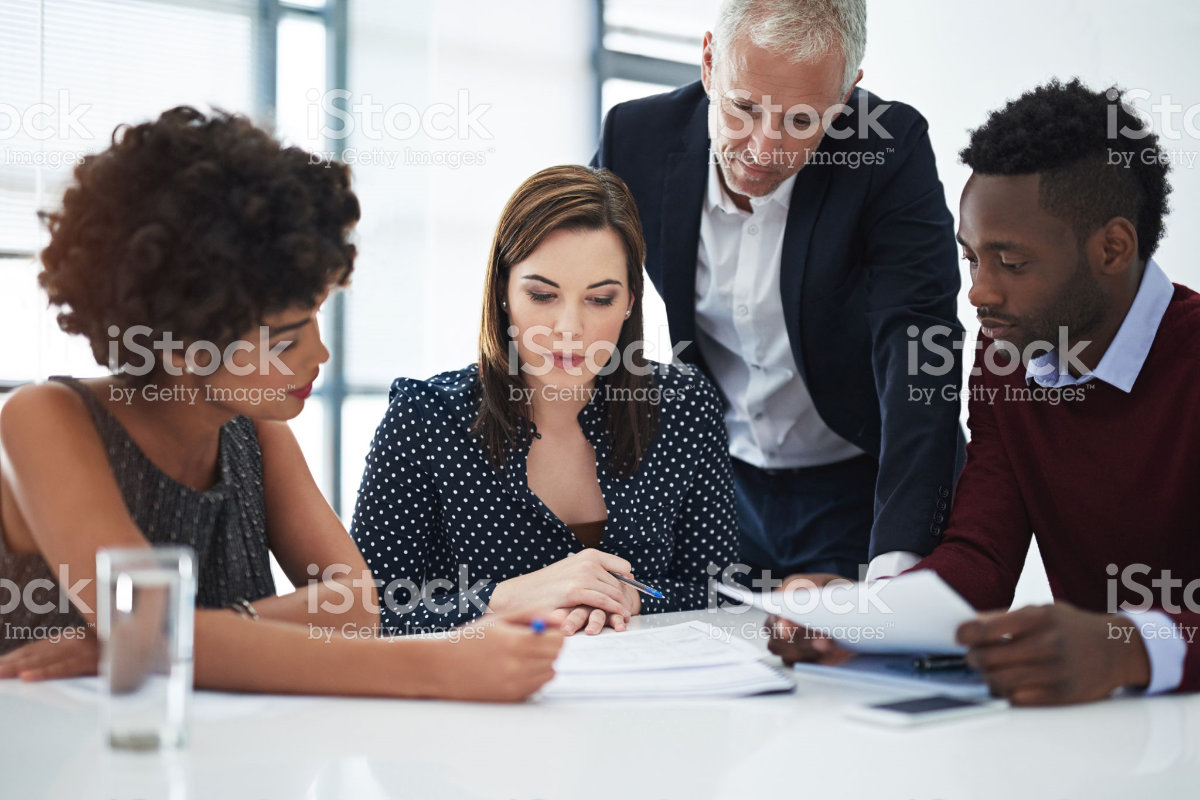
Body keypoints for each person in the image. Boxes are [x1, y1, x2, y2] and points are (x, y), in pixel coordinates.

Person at [0, 107, 561, 701]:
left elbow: (355, 604)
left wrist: (169, 639)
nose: (318, 353)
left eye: (315, 319)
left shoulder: (254, 431)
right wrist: (442, 667)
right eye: (286, 337)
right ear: (186, 344)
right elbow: (145, 625)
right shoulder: (43, 419)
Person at [769, 79, 1199, 704]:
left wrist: (1125, 646)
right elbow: (982, 552)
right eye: (972, 259)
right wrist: (868, 617)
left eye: (1012, 263)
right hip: (1099, 729)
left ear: (1112, 247)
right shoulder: (1005, 359)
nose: (979, 293)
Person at [592, 0, 964, 585]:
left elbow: (919, 345)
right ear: (710, 62)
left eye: (800, 121)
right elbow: (577, 301)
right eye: (743, 109)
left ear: (844, 99)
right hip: (718, 481)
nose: (764, 151)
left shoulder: (887, 148)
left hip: (862, 484)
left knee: (860, 667)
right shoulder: (635, 139)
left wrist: (897, 562)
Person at [351, 165, 738, 637]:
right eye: (542, 295)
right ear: (502, 293)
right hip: (480, 700)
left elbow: (721, 588)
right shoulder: (424, 417)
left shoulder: (684, 407)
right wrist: (509, 597)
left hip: (646, 694)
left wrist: (631, 596)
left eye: (599, 299)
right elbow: (365, 612)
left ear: (631, 302)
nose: (569, 329)